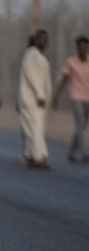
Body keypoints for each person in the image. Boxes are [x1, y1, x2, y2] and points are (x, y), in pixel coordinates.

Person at [18, 29, 52, 170]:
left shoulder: (40, 56)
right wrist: (40, 94)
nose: (44, 40)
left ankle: (33, 155)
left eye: (46, 38)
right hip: (33, 99)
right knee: (35, 128)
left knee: (35, 128)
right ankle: (39, 157)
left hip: (38, 100)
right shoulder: (31, 54)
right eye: (41, 38)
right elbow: (30, 76)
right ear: (35, 39)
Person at [52, 35, 89, 163]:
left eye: (85, 47)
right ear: (77, 48)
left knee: (82, 125)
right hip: (76, 97)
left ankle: (71, 152)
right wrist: (56, 97)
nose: (83, 49)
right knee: (79, 123)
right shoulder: (71, 62)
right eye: (81, 47)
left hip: (87, 98)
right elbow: (64, 81)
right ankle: (83, 152)